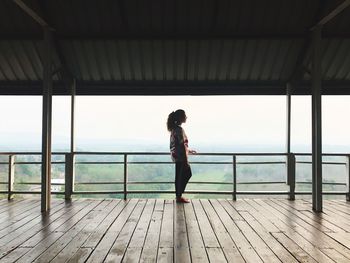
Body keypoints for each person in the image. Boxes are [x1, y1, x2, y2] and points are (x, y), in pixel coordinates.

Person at [167, 109, 196, 203]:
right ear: (180, 118)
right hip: (180, 156)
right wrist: (185, 159)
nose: (186, 117)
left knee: (180, 176)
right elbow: (181, 145)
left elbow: (178, 144)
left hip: (177, 155)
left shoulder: (174, 129)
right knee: (186, 174)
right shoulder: (179, 129)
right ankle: (179, 196)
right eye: (185, 115)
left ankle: (179, 196)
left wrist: (188, 150)